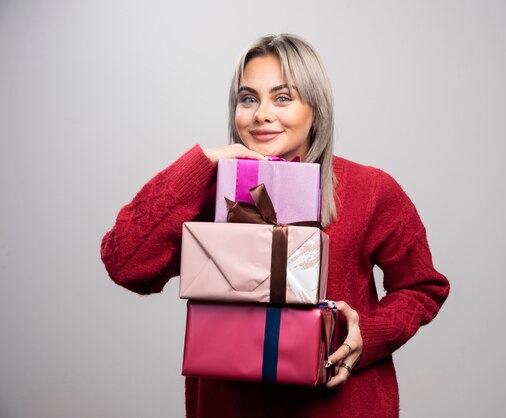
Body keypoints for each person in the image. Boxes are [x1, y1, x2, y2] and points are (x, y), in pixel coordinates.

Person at [101, 33, 449, 418]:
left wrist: (367, 335)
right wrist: (203, 162)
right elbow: (126, 264)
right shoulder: (209, 191)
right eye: (248, 99)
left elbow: (422, 287)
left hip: (342, 407)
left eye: (282, 98)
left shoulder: (371, 190)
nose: (261, 114)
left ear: (315, 108)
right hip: (231, 406)